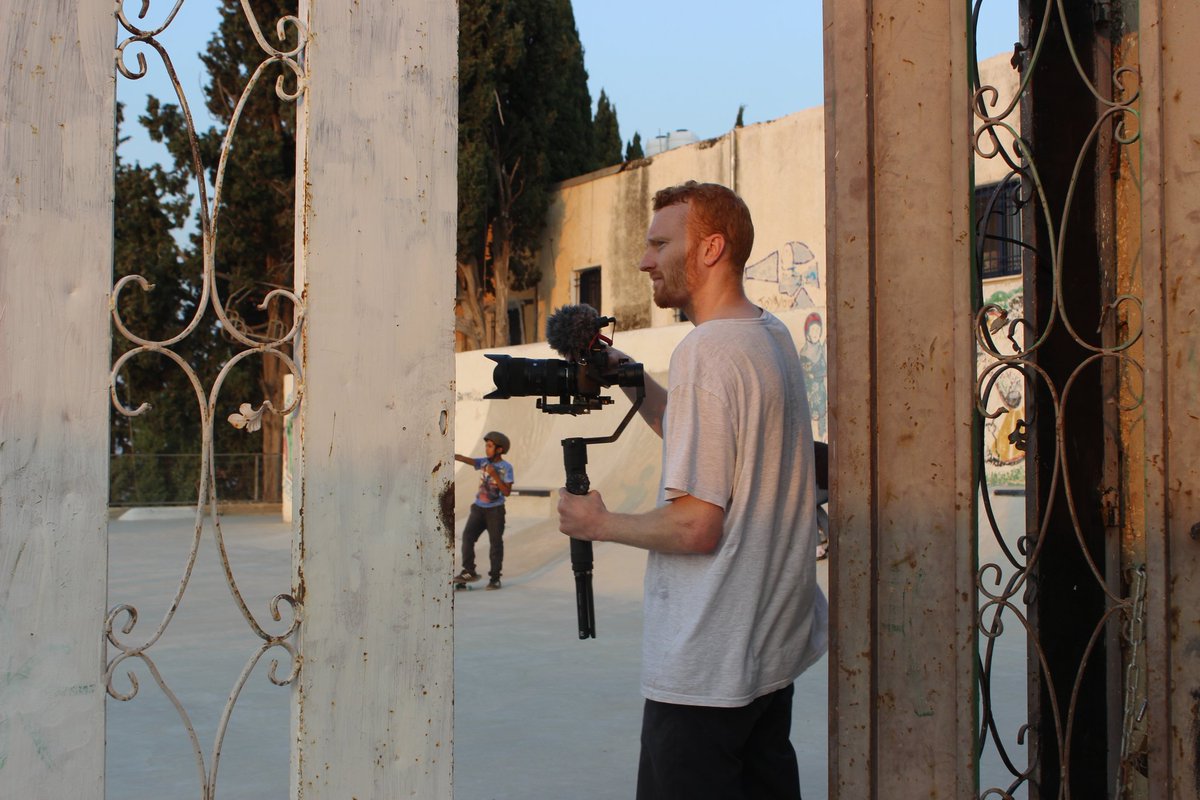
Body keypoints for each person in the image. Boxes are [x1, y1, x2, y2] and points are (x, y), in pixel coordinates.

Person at [557, 181, 827, 799]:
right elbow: (707, 435)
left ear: (710, 248)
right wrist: (629, 376)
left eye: (659, 244)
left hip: (707, 669)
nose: (645, 260)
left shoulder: (705, 351)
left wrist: (599, 522)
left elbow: (696, 525)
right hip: (764, 665)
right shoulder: (768, 335)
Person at [454, 431, 514, 590]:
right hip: (478, 508)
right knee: (467, 537)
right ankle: (469, 571)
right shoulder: (483, 462)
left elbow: (507, 492)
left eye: (489, 446)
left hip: (496, 511)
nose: (486, 449)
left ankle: (495, 578)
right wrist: (452, 455)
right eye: (486, 446)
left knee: (495, 544)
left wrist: (494, 474)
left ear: (499, 449)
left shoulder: (506, 468)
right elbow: (467, 460)